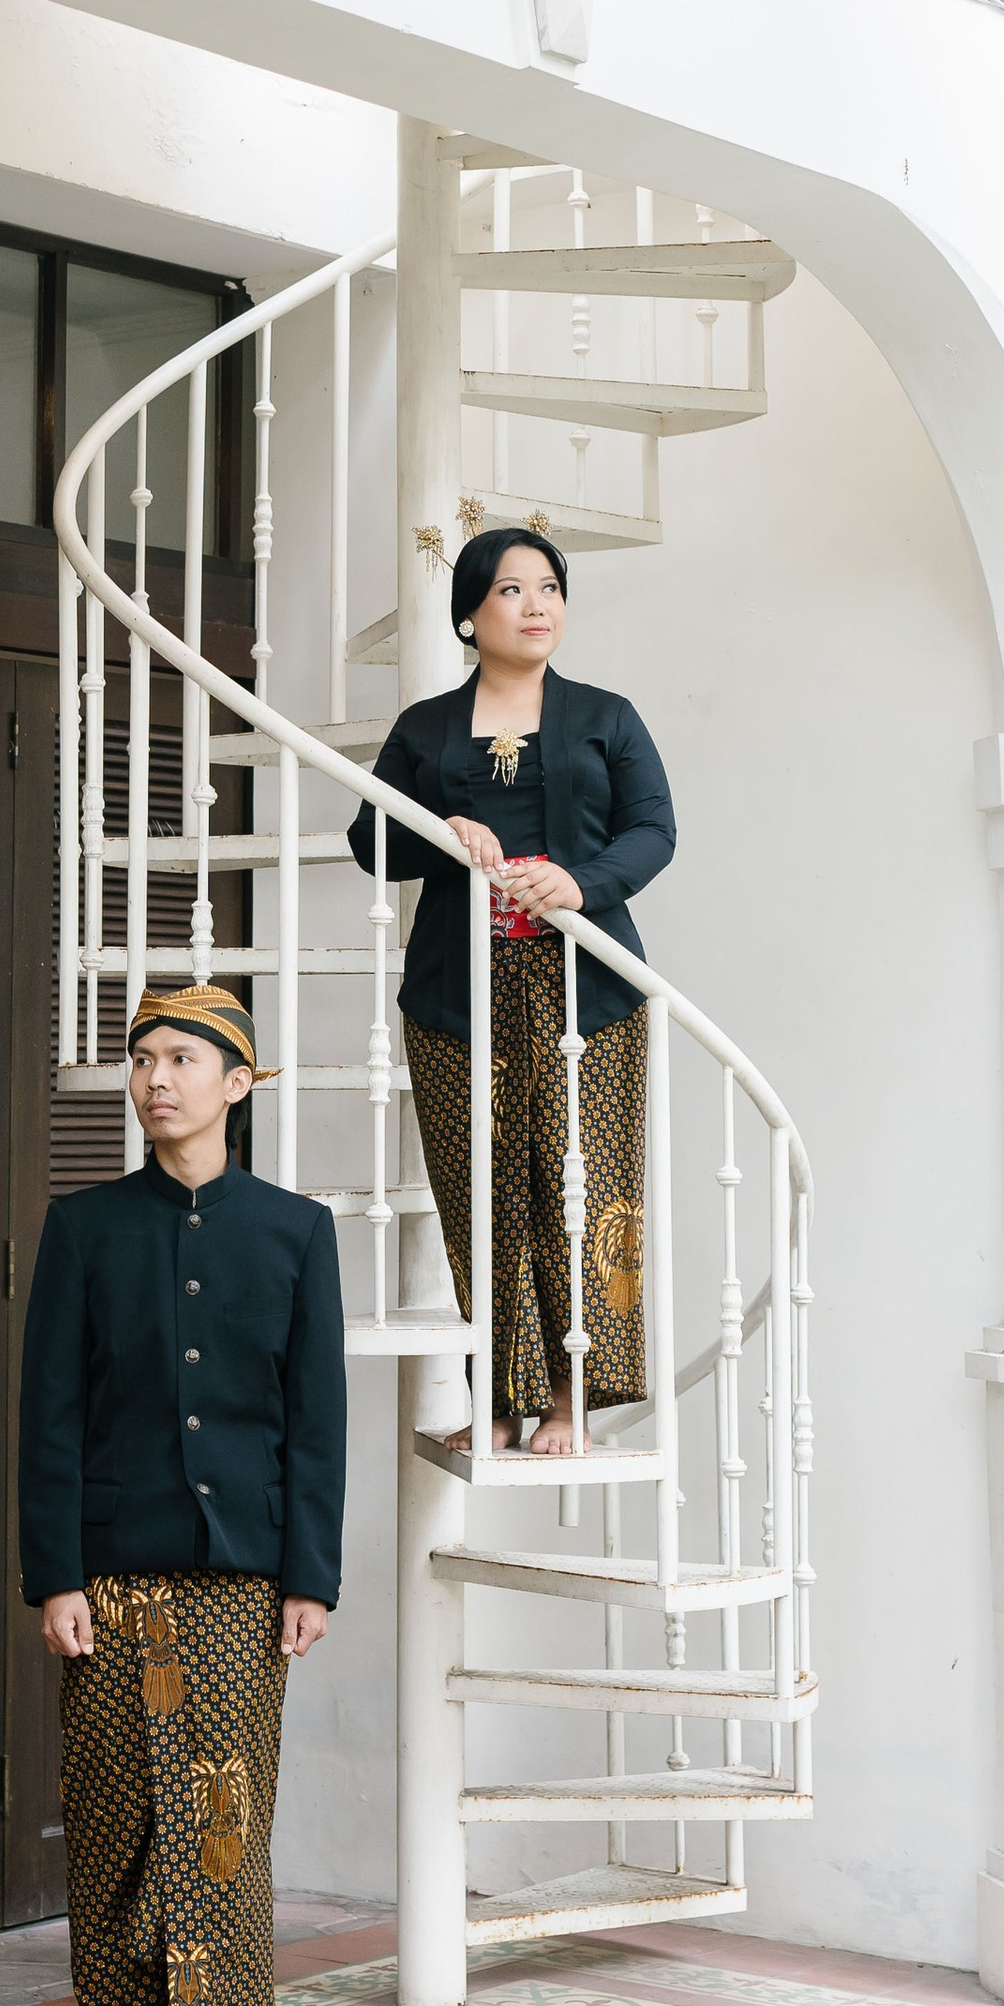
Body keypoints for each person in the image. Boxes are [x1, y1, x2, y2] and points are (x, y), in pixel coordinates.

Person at [18, 982, 345, 2006]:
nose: (155, 1079)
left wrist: (310, 1576)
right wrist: (55, 1577)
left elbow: (317, 1422)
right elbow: (49, 1418)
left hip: (242, 1587)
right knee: (113, 1835)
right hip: (113, 1582)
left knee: (220, 1831)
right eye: (141, 1058)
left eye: (182, 1060)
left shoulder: (296, 1230)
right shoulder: (86, 1229)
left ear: (237, 1083)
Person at [348, 527, 675, 1457]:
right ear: (469, 613)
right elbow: (371, 840)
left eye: (550, 589)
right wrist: (436, 825)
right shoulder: (423, 729)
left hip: (590, 990)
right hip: (458, 991)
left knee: (582, 1186)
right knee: (481, 1193)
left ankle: (569, 1401)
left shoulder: (608, 716)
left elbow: (654, 829)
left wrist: (582, 886)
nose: (537, 606)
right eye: (511, 590)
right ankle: (496, 1398)